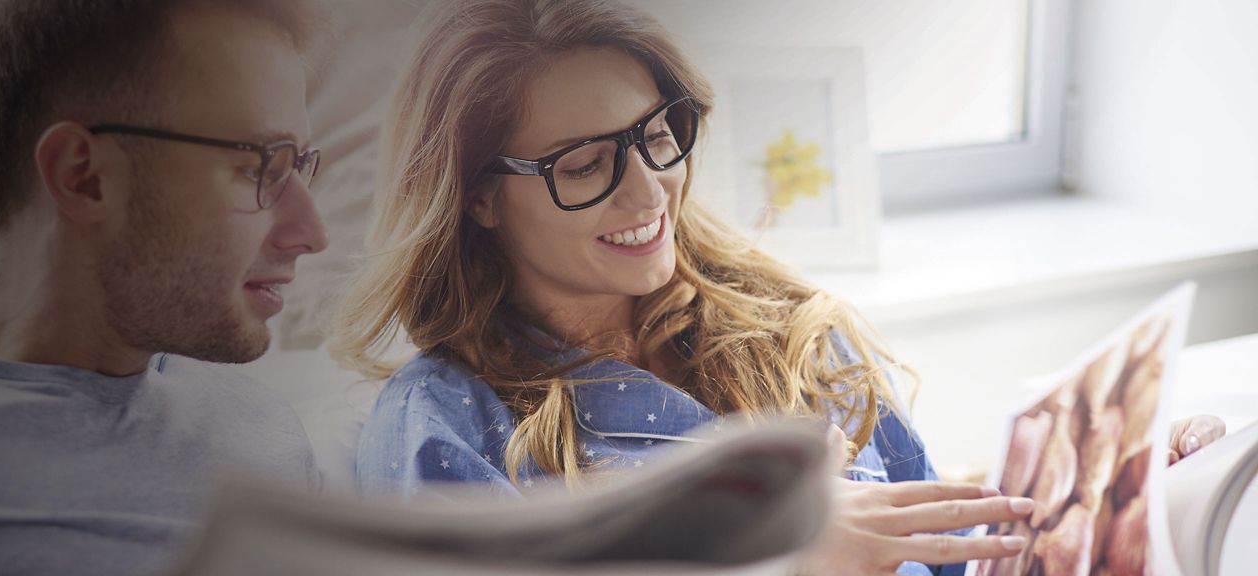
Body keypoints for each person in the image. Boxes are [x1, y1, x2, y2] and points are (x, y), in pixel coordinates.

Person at [334, 1, 1225, 574]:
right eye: (585, 165)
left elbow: (931, 535)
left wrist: (1108, 488)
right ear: (478, 196)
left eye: (657, 135)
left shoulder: (783, 327)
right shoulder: (443, 429)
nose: (649, 192)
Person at [0, 0, 328, 574]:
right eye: (260, 168)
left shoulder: (269, 436)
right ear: (82, 177)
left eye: (299, 166)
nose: (312, 234)